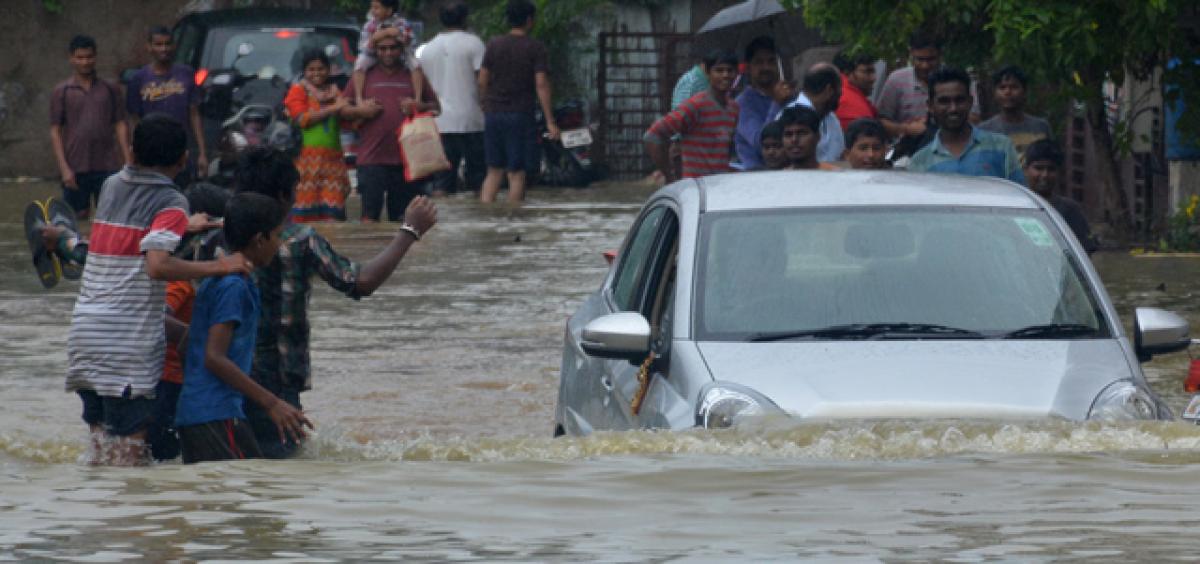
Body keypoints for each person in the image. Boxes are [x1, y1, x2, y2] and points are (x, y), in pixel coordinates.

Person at [65, 115, 252, 466]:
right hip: (126, 341)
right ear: (183, 159)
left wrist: (182, 226)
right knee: (131, 458)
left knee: (100, 451)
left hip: (85, 333)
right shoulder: (171, 201)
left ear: (132, 153)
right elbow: (157, 265)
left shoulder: (110, 186)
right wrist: (221, 265)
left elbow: (132, 238)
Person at [233, 147, 438, 458]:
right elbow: (360, 282)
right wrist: (409, 232)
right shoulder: (299, 240)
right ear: (283, 197)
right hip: (276, 379)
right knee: (278, 473)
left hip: (221, 374)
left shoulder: (210, 236)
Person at [176, 192, 312, 464]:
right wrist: (272, 402)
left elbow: (186, 346)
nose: (279, 243)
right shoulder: (234, 286)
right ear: (259, 240)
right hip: (218, 414)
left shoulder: (217, 279)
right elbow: (214, 358)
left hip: (198, 413)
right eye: (276, 235)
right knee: (241, 498)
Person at [147, 182, 231, 462]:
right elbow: (158, 316)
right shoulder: (179, 278)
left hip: (170, 380)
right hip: (170, 383)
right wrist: (193, 337)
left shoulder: (178, 269)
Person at [342, 35, 439, 222]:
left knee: (402, 220)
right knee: (369, 218)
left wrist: (418, 106)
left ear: (401, 50)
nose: (388, 53)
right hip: (371, 159)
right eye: (382, 48)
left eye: (393, 48)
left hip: (408, 161)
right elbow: (342, 109)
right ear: (375, 51)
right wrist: (361, 110)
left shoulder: (413, 75)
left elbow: (436, 107)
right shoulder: (363, 76)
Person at [479, 0, 559, 203]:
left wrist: (485, 105)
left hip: (493, 115)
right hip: (520, 115)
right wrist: (550, 120)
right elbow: (541, 84)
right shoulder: (535, 48)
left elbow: (482, 80)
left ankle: (484, 217)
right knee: (516, 173)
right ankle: (514, 223)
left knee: (493, 171)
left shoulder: (494, 45)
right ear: (530, 21)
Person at [50, 35, 131, 220]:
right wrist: (64, 168)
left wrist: (127, 161)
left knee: (111, 216)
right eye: (80, 58)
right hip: (75, 165)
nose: (85, 62)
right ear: (71, 58)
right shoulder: (62, 91)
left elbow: (120, 124)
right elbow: (55, 131)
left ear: (95, 57)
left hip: (107, 165)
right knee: (75, 217)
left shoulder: (110, 89)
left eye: (89, 57)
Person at [908, 68, 1025, 184]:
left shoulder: (1001, 147)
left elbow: (1019, 197)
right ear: (930, 106)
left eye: (959, 100)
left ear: (970, 102)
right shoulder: (920, 162)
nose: (953, 108)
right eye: (944, 101)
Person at [418, 1, 487, 195]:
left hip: (439, 123)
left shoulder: (428, 48)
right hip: (471, 121)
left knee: (442, 182)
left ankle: (443, 220)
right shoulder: (474, 44)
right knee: (478, 180)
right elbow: (482, 81)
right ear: (465, 18)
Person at [126, 26, 207, 185]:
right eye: (158, 44)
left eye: (168, 44)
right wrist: (134, 154)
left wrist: (202, 152)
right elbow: (134, 120)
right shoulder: (139, 79)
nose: (164, 49)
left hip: (180, 150)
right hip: (151, 153)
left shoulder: (186, 74)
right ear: (149, 47)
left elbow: (194, 114)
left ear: (174, 46)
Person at [644, 49, 739, 182]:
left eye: (730, 70)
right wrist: (669, 176)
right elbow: (652, 136)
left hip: (720, 187)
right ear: (708, 73)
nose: (725, 75)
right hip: (695, 187)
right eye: (719, 70)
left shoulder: (733, 108)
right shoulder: (696, 105)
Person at [284, 50, 352, 222]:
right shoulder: (298, 91)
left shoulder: (336, 93)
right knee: (304, 214)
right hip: (305, 164)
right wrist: (332, 109)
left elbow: (347, 121)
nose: (316, 73)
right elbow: (302, 119)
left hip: (333, 162)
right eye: (311, 69)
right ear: (304, 72)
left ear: (328, 70)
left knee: (333, 216)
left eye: (321, 69)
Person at [876, 33, 981, 144]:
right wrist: (906, 129)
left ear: (940, 55)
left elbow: (975, 118)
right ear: (911, 54)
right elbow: (881, 121)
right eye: (919, 59)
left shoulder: (958, 78)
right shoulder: (897, 80)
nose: (925, 65)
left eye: (931, 59)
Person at [1023, 139, 1097, 253]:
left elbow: (1084, 254)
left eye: (1051, 169)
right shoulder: (1013, 206)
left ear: (1059, 173)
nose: (1045, 175)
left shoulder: (1070, 210)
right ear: (1026, 170)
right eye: (1039, 168)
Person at [351, 0, 424, 108]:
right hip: (372, 54)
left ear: (389, 10)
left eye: (376, 8)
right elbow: (364, 46)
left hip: (402, 53)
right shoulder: (370, 25)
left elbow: (409, 40)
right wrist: (384, 34)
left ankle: (418, 98)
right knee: (359, 64)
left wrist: (398, 36)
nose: (372, 11)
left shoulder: (401, 23)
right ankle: (358, 98)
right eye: (372, 7)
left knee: (416, 65)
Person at [978, 66, 1053, 157]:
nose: (1008, 92)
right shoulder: (985, 130)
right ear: (995, 94)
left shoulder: (1041, 127)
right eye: (1002, 87)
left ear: (1024, 92)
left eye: (1014, 87)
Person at [733, 36, 781, 170]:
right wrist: (777, 103)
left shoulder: (788, 97)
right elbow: (760, 143)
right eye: (759, 62)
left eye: (771, 61)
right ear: (748, 68)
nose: (766, 67)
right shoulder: (742, 104)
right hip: (755, 175)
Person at [783, 63, 844, 163]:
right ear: (829, 90)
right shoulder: (787, 117)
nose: (841, 95)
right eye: (840, 90)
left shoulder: (831, 118)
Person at [779, 106, 837, 170]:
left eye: (801, 133)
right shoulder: (779, 178)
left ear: (818, 136)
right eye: (788, 134)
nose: (794, 139)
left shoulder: (834, 175)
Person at [833, 51, 879, 132]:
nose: (873, 78)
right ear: (847, 73)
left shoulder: (839, 91)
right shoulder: (851, 103)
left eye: (873, 72)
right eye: (867, 72)